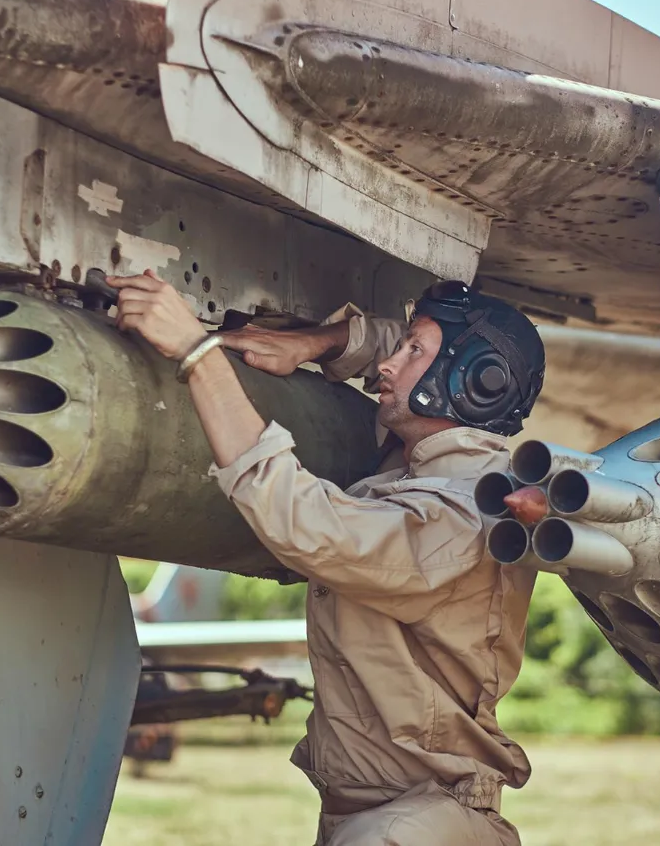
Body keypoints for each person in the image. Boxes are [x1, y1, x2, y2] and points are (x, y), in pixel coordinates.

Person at [107, 271, 547, 846]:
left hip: (415, 826)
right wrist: (315, 342)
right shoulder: (429, 465)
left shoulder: (459, 516)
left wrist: (197, 351)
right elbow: (397, 345)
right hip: (384, 816)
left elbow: (304, 522)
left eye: (414, 352)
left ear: (469, 384)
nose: (388, 365)